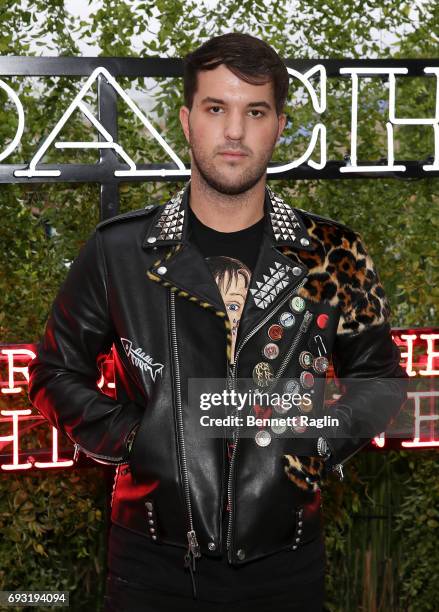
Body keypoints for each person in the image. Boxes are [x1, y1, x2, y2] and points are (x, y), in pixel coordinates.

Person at [28, 32, 409, 612]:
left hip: (286, 563)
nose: (235, 131)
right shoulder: (121, 251)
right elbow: (54, 374)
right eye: (216, 108)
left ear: (279, 124)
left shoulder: (334, 253)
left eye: (255, 111)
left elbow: (380, 382)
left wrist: (307, 441)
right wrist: (139, 436)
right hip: (149, 561)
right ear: (186, 121)